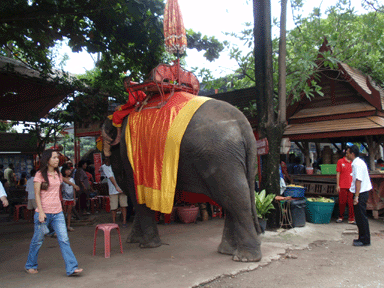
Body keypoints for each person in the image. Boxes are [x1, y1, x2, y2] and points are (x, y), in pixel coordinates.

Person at [25, 149, 82, 275]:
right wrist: (40, 212)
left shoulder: (58, 174)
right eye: (54, 158)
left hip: (58, 213)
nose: (57, 160)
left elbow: (64, 181)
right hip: (43, 213)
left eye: (57, 158)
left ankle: (72, 268)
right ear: (47, 160)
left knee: (64, 239)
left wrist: (74, 186)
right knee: (37, 241)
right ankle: (30, 264)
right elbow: (36, 194)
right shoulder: (39, 175)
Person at [345, 145, 372, 247]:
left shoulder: (357, 164)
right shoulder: (356, 163)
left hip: (361, 193)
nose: (346, 154)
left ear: (352, 154)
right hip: (360, 192)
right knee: (359, 217)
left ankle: (365, 240)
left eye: (347, 152)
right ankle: (361, 237)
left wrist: (356, 197)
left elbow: (358, 181)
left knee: (361, 217)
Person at [109, 76, 147, 146]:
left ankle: (118, 136)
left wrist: (121, 107)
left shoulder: (131, 88)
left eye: (124, 84)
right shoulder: (137, 86)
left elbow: (132, 102)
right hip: (142, 105)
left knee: (116, 114)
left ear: (125, 83)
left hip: (137, 107)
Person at [100, 157, 128, 227]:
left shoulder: (119, 164)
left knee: (123, 205)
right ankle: (114, 222)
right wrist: (117, 186)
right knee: (114, 207)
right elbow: (110, 177)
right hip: (114, 189)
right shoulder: (105, 167)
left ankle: (124, 221)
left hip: (121, 188)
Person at [336, 151, 355, 224]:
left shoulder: (353, 162)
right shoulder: (340, 161)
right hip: (342, 186)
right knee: (341, 202)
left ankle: (351, 218)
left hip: (351, 186)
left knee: (351, 203)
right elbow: (338, 173)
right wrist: (338, 185)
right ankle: (341, 217)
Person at [61, 165, 76, 232]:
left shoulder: (72, 179)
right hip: (64, 198)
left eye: (69, 170)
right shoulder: (62, 179)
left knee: (69, 212)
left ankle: (68, 226)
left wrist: (74, 199)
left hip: (71, 198)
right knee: (63, 213)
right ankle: (63, 226)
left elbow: (74, 189)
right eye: (67, 170)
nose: (69, 171)